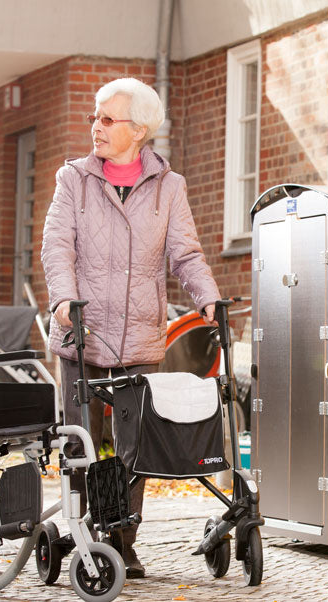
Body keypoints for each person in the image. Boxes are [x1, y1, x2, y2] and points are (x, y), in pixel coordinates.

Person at [41, 77, 221, 579]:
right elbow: (58, 246)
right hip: (82, 331)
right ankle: (81, 534)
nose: (95, 127)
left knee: (133, 447)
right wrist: (62, 297)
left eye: (107, 118)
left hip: (140, 337)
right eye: (95, 117)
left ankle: (122, 540)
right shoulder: (73, 178)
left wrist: (206, 296)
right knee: (80, 441)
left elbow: (184, 253)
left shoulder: (170, 186)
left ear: (138, 129)